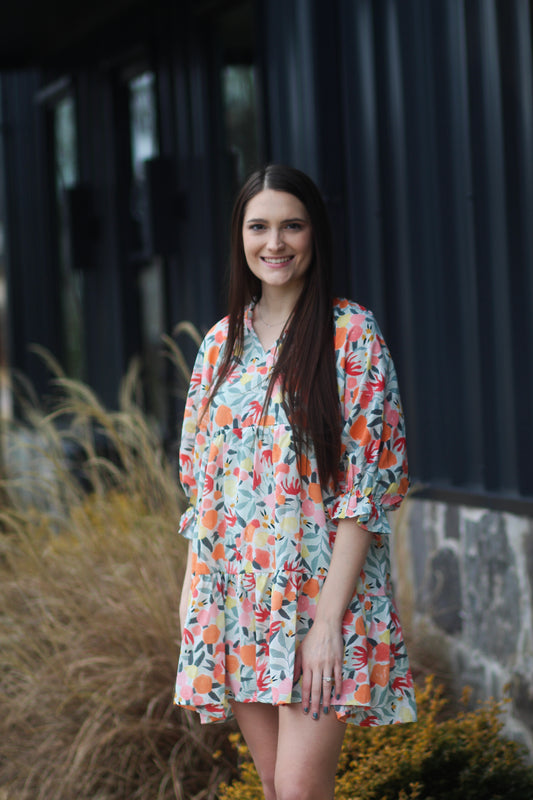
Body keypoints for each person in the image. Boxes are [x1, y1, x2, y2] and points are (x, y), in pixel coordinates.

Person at [174, 164, 416, 800]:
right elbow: (203, 491)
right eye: (259, 227)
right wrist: (191, 599)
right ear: (240, 237)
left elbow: (367, 492)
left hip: (322, 604)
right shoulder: (219, 346)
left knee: (302, 790)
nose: (274, 243)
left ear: (315, 235)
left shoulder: (351, 337)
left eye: (292, 226)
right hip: (236, 604)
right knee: (280, 791)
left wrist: (328, 624)